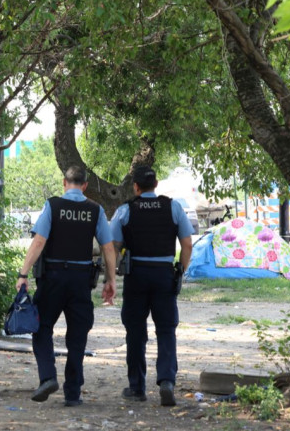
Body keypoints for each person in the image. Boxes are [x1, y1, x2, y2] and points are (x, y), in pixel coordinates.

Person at [16, 165, 117, 407]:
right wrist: (110, 280)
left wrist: (23, 273)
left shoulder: (53, 206)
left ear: (64, 183)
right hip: (81, 280)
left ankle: (48, 377)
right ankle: (73, 393)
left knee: (41, 328)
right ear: (85, 186)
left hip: (52, 277)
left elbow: (39, 241)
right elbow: (108, 247)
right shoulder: (95, 210)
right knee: (77, 335)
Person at [109, 165, 193, 407]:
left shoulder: (126, 210)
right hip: (164, 275)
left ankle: (137, 387)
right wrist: (180, 270)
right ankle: (167, 380)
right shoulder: (173, 207)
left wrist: (113, 274)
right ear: (156, 185)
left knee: (136, 332)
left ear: (135, 187)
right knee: (166, 330)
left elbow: (113, 244)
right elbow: (187, 244)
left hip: (136, 275)